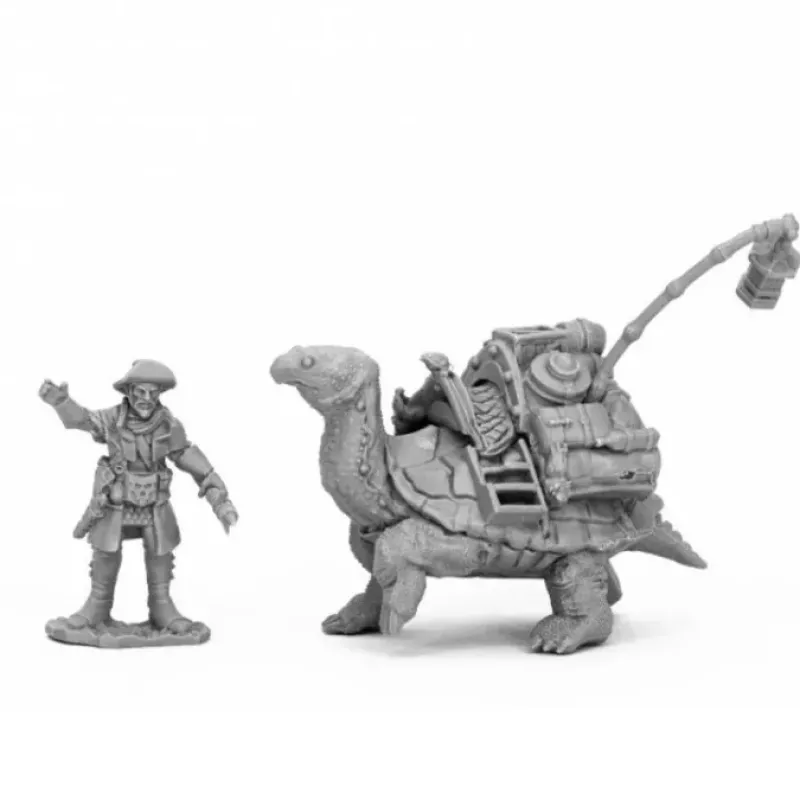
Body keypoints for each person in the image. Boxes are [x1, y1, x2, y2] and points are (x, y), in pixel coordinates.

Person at [39, 359, 238, 635]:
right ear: (129, 391)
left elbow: (186, 454)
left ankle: (162, 608)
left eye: (153, 392)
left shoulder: (168, 424)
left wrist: (218, 496)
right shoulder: (112, 420)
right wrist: (62, 402)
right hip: (116, 501)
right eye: (140, 391)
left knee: (160, 553)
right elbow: (82, 420)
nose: (146, 398)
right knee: (106, 553)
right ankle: (97, 606)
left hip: (154, 502)